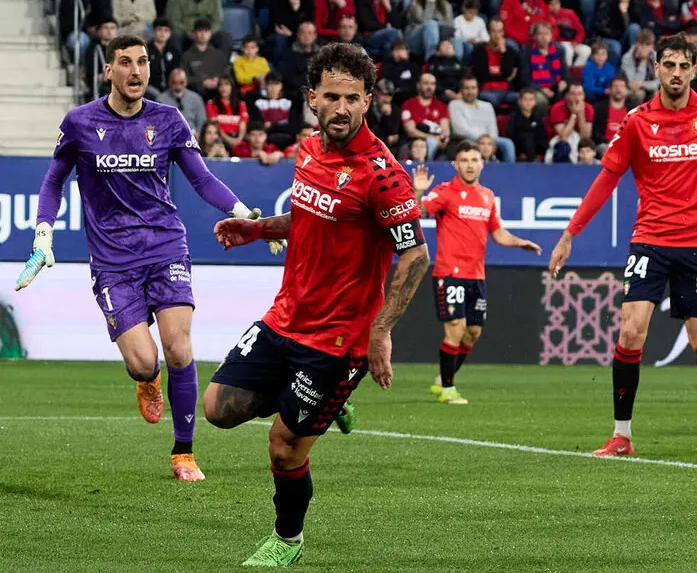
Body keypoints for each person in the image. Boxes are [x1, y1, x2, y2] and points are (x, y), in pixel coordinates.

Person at [202, 43, 429, 566]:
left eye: (352, 97)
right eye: (331, 96)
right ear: (312, 99)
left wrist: (381, 331)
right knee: (218, 409)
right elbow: (308, 218)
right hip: (285, 318)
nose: (342, 108)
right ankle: (326, 404)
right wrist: (259, 229)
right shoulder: (308, 151)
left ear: (368, 100)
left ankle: (287, 541)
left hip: (337, 342)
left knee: (284, 446)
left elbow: (414, 256)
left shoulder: (383, 174)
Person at [15, 35, 261, 483]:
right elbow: (53, 182)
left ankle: (183, 453)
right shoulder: (80, 122)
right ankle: (148, 380)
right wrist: (43, 234)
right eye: (125, 62)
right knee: (143, 362)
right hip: (112, 262)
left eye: (143, 62)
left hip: (166, 246)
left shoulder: (168, 120)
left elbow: (202, 180)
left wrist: (246, 216)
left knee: (180, 348)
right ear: (108, 71)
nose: (135, 71)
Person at [548, 32, 697, 457]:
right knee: (631, 333)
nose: (675, 73)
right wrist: (568, 235)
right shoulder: (636, 121)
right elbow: (605, 181)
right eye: (668, 65)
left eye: (683, 66)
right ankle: (622, 436)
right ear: (655, 68)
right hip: (649, 241)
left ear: (695, 70)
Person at [412, 142, 541, 404]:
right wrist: (418, 191)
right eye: (465, 160)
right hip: (450, 272)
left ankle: (443, 379)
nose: (470, 164)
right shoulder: (445, 192)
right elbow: (420, 212)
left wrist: (519, 242)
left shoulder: (487, 196)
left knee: (473, 333)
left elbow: (498, 233)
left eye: (474, 159)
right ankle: (448, 389)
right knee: (456, 328)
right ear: (456, 165)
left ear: (482, 163)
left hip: (476, 276)